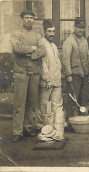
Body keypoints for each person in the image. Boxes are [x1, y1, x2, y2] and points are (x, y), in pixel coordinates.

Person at [10, 10, 46, 142]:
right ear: (22, 19)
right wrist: (32, 49)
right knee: (19, 103)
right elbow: (16, 48)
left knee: (32, 103)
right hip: (21, 72)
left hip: (35, 73)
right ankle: (17, 131)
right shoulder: (16, 34)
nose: (29, 20)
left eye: (31, 18)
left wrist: (31, 54)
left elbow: (43, 51)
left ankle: (29, 128)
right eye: (27, 18)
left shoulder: (38, 35)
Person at [61, 17, 89, 117]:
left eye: (83, 28)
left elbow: (88, 57)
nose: (81, 30)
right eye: (79, 27)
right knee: (73, 99)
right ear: (74, 27)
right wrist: (68, 75)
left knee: (85, 98)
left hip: (85, 75)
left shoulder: (84, 41)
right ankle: (73, 121)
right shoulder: (68, 41)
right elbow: (65, 59)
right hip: (74, 76)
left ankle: (84, 119)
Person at [36, 20, 63, 129]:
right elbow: (42, 63)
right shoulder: (41, 43)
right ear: (44, 31)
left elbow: (57, 62)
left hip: (56, 81)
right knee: (43, 106)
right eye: (49, 31)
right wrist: (47, 79)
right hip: (46, 81)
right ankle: (41, 128)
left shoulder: (54, 46)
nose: (52, 34)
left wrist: (60, 76)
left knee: (56, 105)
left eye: (53, 31)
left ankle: (55, 127)